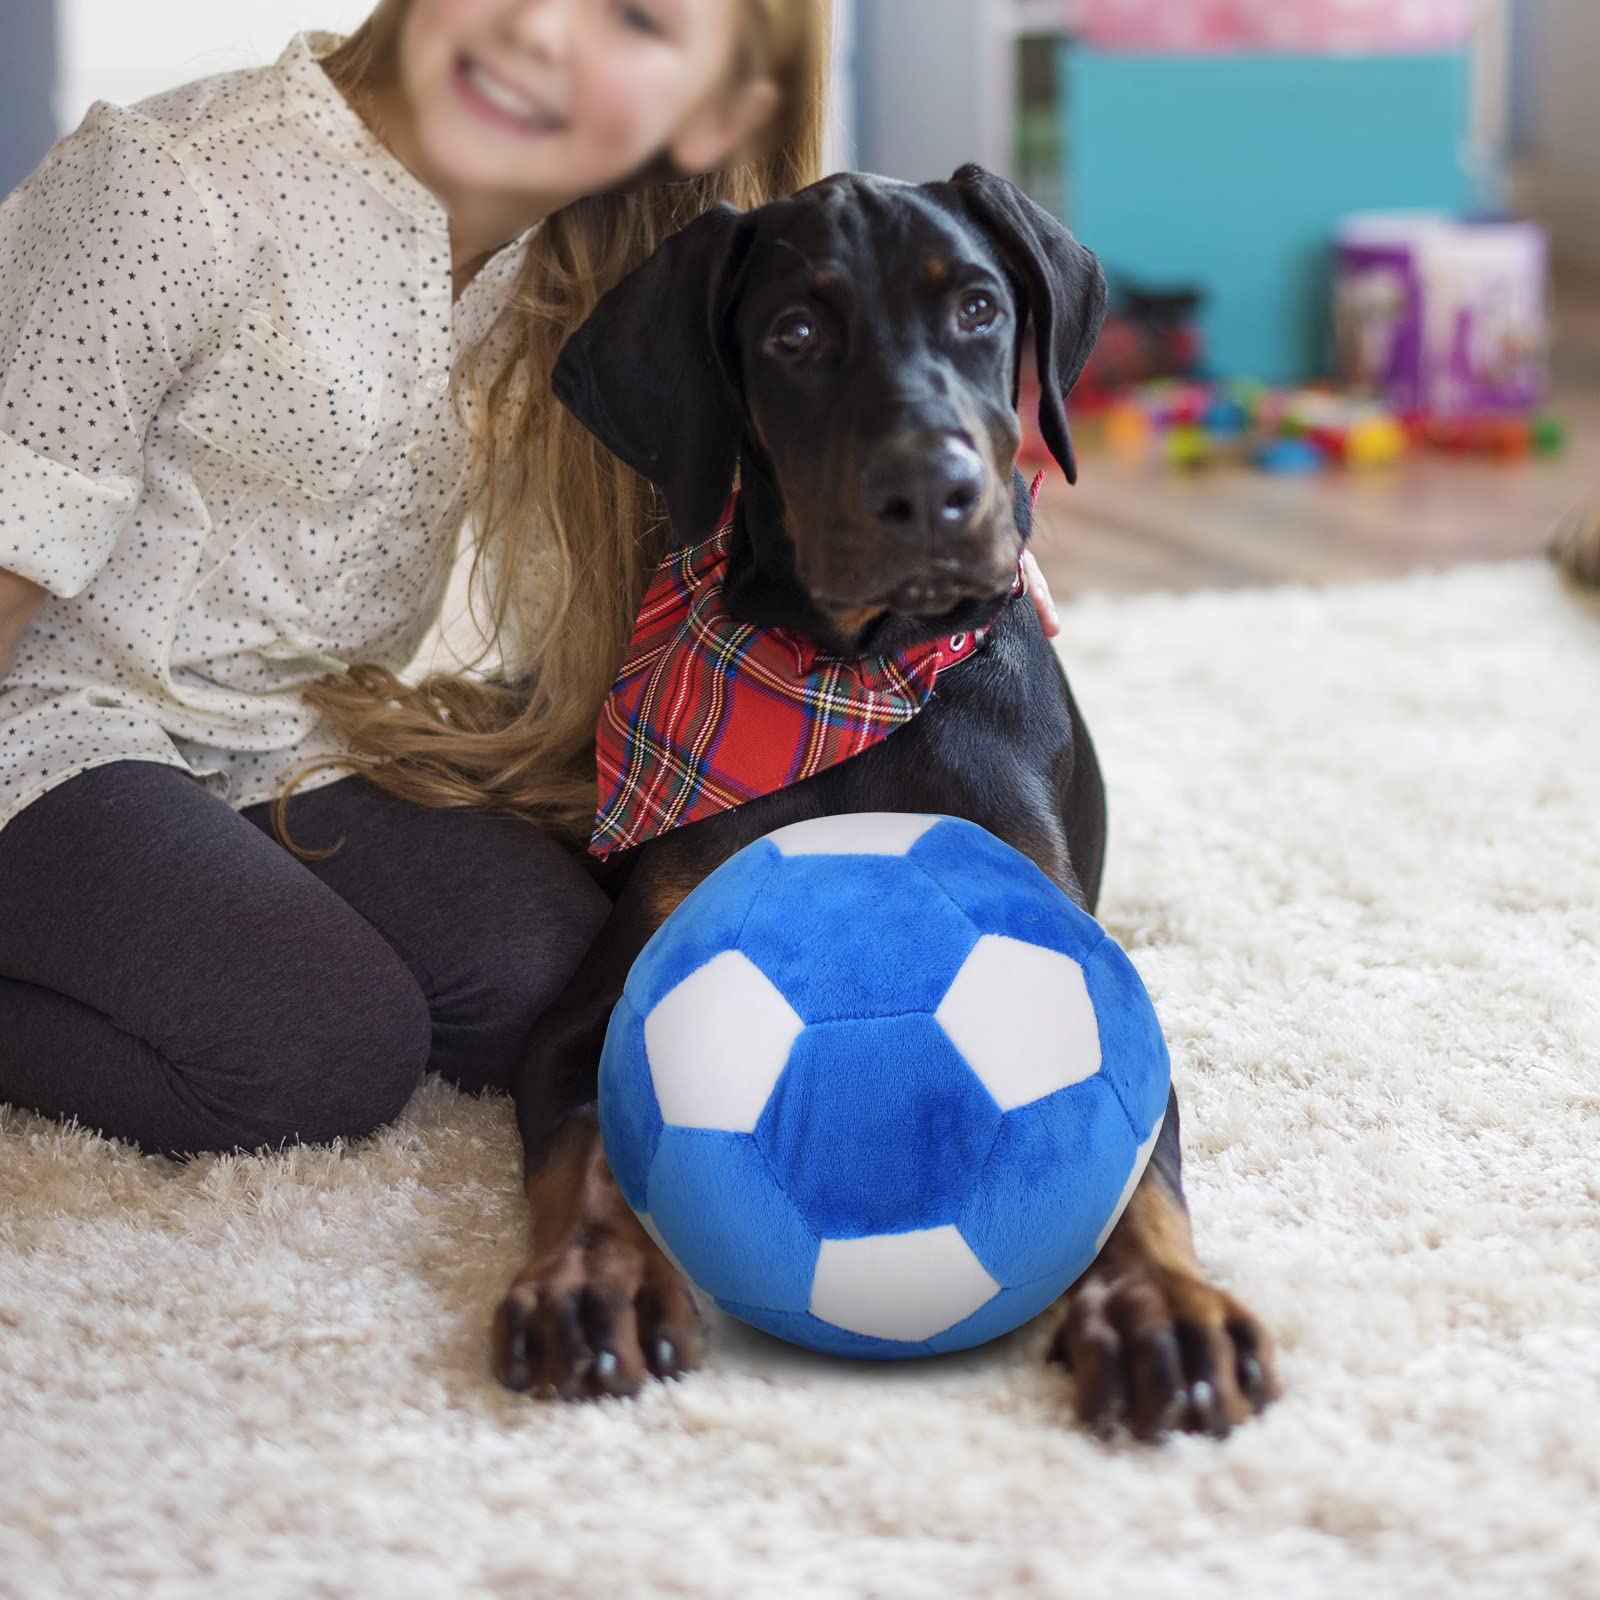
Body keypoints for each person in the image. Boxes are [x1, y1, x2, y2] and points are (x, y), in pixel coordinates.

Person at [0, 0, 1061, 1160]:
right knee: (319, 1043)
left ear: (710, 113)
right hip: (50, 726)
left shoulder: (594, 280)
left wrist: (946, 533)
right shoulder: (167, 187)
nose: (542, 28)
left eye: (634, 19)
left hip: (288, 733)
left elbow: (812, 419)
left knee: (562, 982)